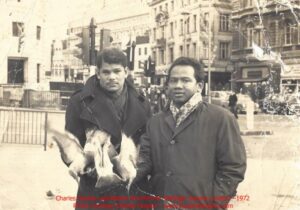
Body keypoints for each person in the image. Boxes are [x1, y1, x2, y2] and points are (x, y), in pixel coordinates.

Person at [135, 57, 246, 210]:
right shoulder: (155, 122)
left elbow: (233, 168)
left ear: (199, 86)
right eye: (173, 81)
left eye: (185, 80)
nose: (178, 86)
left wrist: (217, 204)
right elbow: (144, 162)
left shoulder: (221, 118)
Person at [65, 48, 152, 210]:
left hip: (131, 190)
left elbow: (147, 145)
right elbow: (70, 146)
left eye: (117, 71)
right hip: (95, 189)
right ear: (98, 73)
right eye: (106, 72)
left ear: (126, 72)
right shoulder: (79, 102)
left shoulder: (142, 103)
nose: (112, 77)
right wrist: (92, 168)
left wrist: (132, 170)